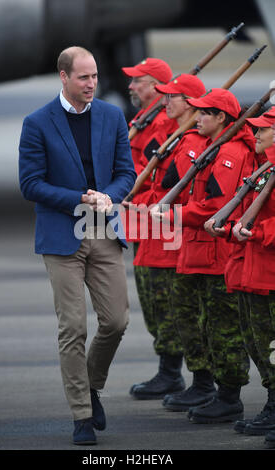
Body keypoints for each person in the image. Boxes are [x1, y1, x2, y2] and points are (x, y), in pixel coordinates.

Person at [19, 46, 136, 445]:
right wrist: (78, 198)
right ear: (64, 77)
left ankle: (91, 385)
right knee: (72, 327)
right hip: (60, 235)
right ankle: (82, 416)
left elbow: (127, 172)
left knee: (116, 321)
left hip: (104, 228)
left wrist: (108, 195)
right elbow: (30, 184)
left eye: (95, 77)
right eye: (84, 77)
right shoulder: (37, 123)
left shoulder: (111, 115)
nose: (92, 84)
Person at [152, 88, 255, 422]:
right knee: (206, 323)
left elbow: (215, 206)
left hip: (216, 255)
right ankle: (213, 389)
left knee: (223, 327)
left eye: (204, 114)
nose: (197, 118)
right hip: (201, 251)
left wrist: (173, 216)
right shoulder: (217, 148)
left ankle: (228, 396)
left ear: (221, 118)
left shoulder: (230, 154)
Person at [129, 74, 207, 400]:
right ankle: (171, 371)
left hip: (169, 236)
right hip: (152, 231)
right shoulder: (168, 133)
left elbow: (179, 196)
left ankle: (181, 375)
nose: (166, 101)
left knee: (177, 310)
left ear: (189, 103)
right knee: (159, 307)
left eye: (172, 95)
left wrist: (139, 204)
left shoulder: (187, 144)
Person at [205, 107, 275, 440]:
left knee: (272, 344)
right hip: (251, 270)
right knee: (257, 343)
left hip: (269, 273)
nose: (255, 134)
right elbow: (248, 212)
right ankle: (272, 404)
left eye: (263, 130)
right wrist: (228, 227)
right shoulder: (265, 168)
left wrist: (257, 233)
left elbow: (264, 224)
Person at [121, 58, 184, 399]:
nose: (131, 87)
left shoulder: (162, 125)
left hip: (157, 224)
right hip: (140, 223)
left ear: (157, 86)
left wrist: (124, 189)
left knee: (163, 300)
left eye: (138, 81)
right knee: (151, 299)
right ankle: (168, 370)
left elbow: (153, 176)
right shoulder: (143, 119)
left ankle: (172, 372)